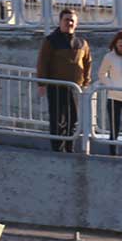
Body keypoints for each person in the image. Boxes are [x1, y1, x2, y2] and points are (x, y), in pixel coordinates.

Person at [34, 8, 91, 153]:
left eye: (72, 20)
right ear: (60, 22)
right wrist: (42, 83)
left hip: (74, 87)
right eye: (66, 20)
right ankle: (58, 150)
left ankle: (69, 148)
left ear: (76, 24)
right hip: (56, 85)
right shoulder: (51, 41)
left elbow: (87, 63)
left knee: (73, 119)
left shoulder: (81, 43)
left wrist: (86, 82)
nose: (69, 23)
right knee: (58, 120)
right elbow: (42, 63)